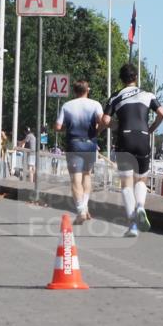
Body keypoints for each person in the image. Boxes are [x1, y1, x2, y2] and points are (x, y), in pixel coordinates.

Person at [100, 63, 163, 237]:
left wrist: (117, 126)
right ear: (136, 78)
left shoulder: (115, 97)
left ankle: (133, 225)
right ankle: (140, 207)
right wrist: (151, 129)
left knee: (126, 183)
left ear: (121, 80)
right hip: (143, 137)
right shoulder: (147, 94)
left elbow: (105, 120)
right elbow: (162, 113)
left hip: (125, 138)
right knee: (141, 180)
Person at [55, 79, 103, 224]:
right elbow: (102, 121)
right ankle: (85, 207)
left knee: (76, 178)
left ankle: (81, 210)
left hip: (74, 145)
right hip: (90, 144)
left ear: (75, 91)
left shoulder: (67, 106)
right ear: (87, 90)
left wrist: (67, 128)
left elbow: (57, 127)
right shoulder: (95, 104)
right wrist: (97, 131)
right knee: (87, 175)